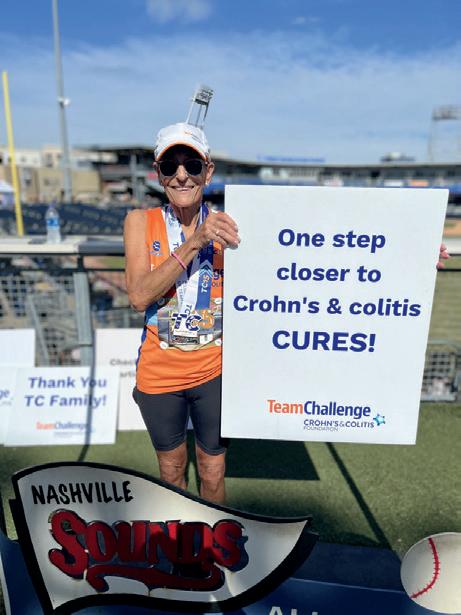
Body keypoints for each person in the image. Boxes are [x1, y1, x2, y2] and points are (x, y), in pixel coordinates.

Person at [124, 122, 239, 504]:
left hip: (214, 370)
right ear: (158, 174)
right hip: (160, 373)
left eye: (192, 164)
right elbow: (139, 296)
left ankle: (215, 539)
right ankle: (179, 540)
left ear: (208, 171)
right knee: (172, 471)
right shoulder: (140, 221)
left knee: (213, 471)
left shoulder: (229, 225)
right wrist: (194, 243)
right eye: (169, 166)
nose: (181, 175)